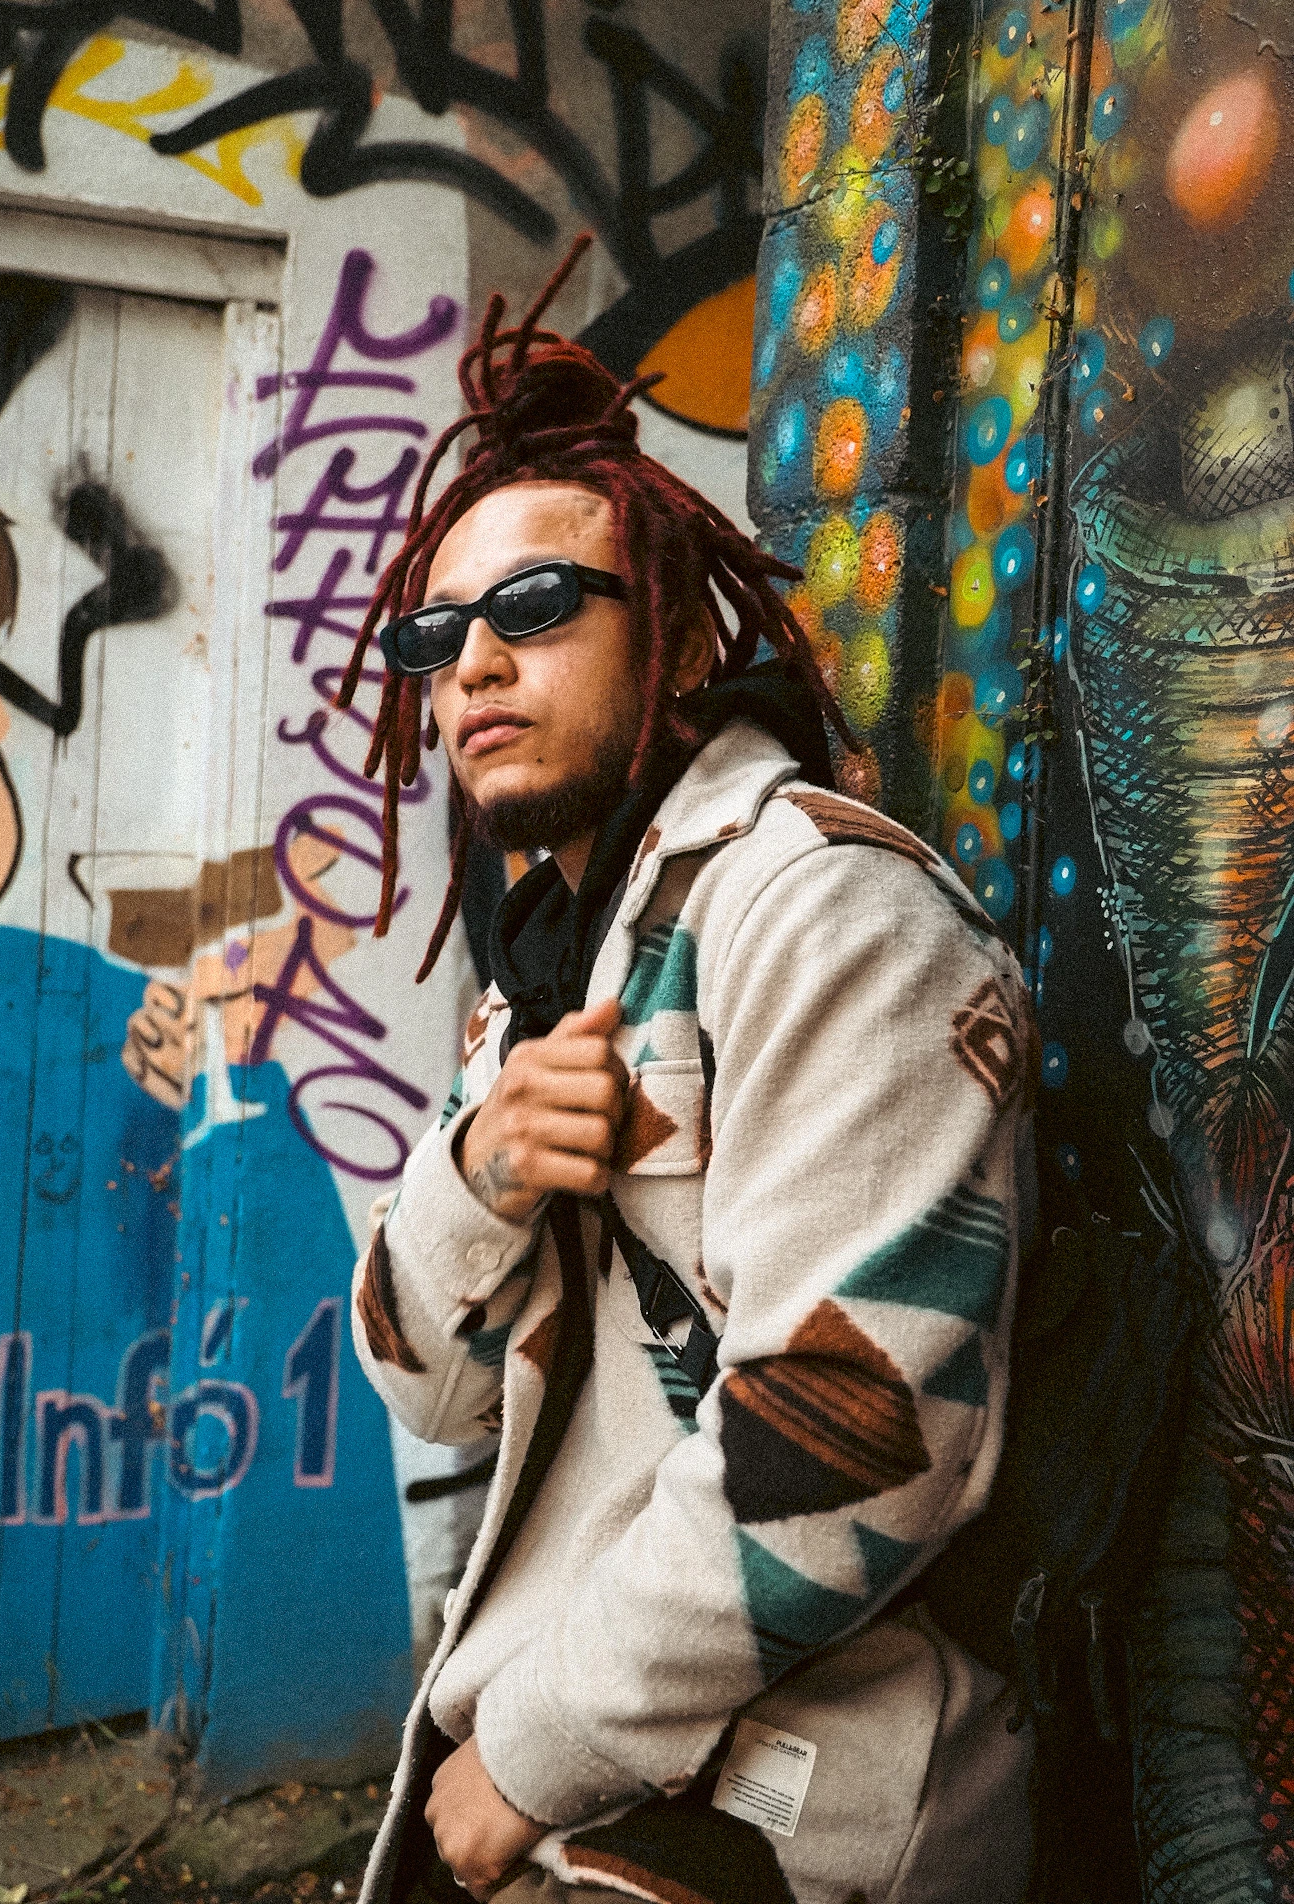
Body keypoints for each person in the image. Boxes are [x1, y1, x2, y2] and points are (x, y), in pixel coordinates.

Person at [344, 239, 1036, 1904]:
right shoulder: (555, 960)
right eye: (437, 633)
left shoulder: (825, 915)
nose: (473, 666)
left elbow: (855, 1435)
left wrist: (531, 1753)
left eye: (531, 608)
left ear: (660, 633)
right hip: (582, 1778)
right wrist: (481, 1174)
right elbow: (422, 1385)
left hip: (772, 1820)